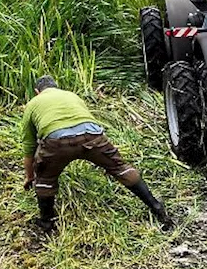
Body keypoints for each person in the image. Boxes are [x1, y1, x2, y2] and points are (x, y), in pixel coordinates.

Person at [20, 76, 173, 232]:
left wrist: (30, 177)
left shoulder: (33, 104)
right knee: (121, 168)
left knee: (45, 179)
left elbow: (29, 147)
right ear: (56, 87)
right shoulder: (72, 95)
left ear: (37, 92)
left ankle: (47, 223)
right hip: (93, 136)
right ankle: (156, 206)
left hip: (57, 142)